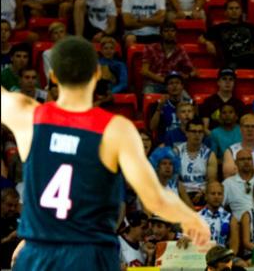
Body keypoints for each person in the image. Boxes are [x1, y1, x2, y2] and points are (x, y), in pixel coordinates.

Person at [1, 37, 209, 270]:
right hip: (90, 253)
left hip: (39, 251)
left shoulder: (27, 116)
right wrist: (193, 220)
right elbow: (156, 199)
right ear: (98, 74)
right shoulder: (116, 129)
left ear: (53, 76)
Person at [200, 0, 254, 69]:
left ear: (241, 11)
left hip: (251, 59)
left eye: (237, 8)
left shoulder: (250, 27)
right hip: (231, 62)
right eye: (231, 8)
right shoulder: (218, 28)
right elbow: (200, 38)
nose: (234, 11)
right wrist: (207, 43)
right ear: (225, 12)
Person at [141, 20, 195, 94]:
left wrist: (188, 76)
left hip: (173, 85)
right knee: (148, 96)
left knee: (188, 102)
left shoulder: (180, 50)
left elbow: (193, 71)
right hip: (153, 84)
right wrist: (163, 80)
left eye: (172, 31)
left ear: (176, 33)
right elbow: (144, 71)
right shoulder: (150, 48)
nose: (170, 34)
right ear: (161, 34)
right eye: (166, 31)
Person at [174, 119, 217, 205]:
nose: (197, 135)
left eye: (200, 132)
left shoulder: (210, 155)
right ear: (186, 133)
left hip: (202, 194)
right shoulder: (176, 152)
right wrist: (184, 196)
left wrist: (203, 193)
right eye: (193, 131)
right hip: (180, 193)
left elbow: (211, 181)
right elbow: (173, 180)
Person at [199, 68, 247, 133]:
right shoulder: (208, 102)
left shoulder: (239, 104)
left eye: (231, 79)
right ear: (218, 82)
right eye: (224, 79)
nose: (228, 82)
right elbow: (205, 128)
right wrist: (217, 138)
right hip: (213, 138)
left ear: (234, 83)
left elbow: (244, 127)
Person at [199, 181, 238, 251]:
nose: (216, 196)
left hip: (223, 257)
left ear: (223, 197)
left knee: (241, 262)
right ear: (206, 196)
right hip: (201, 256)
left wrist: (228, 260)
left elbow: (234, 247)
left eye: (219, 194)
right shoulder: (196, 217)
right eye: (213, 194)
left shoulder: (231, 218)